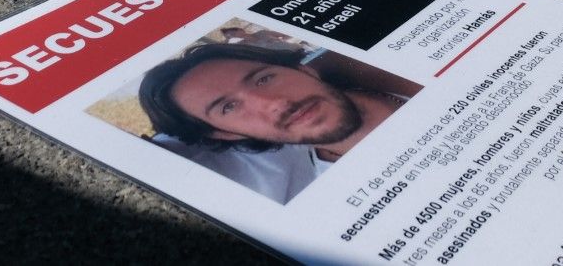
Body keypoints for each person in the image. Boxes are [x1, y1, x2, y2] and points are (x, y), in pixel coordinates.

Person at [138, 43, 408, 205]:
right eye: (229, 107)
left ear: (303, 69)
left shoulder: (404, 71)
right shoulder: (341, 200)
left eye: (264, 79)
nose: (274, 103)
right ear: (226, 134)